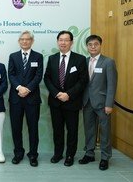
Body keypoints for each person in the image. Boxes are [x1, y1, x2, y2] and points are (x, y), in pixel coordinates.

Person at [44, 30, 88, 167]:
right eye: (60, 40)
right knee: (57, 130)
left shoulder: (79, 59)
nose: (63, 42)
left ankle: (70, 155)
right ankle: (58, 154)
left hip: (72, 101)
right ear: (57, 42)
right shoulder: (52, 58)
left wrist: (68, 94)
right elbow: (47, 78)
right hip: (55, 102)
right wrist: (57, 93)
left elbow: (83, 80)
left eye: (66, 40)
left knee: (72, 130)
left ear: (71, 42)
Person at [79, 35, 117, 171]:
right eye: (90, 44)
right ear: (87, 46)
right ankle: (89, 154)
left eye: (95, 44)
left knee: (105, 131)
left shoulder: (108, 62)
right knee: (89, 130)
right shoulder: (84, 61)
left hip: (103, 104)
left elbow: (112, 85)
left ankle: (105, 157)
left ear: (100, 45)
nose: (93, 47)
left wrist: (109, 104)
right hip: (87, 102)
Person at [8, 31, 43, 167]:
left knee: (33, 128)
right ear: (19, 41)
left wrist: (27, 89)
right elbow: (11, 74)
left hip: (32, 98)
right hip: (16, 98)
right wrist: (19, 88)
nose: (25, 41)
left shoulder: (38, 56)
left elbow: (38, 76)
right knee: (16, 128)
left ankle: (33, 155)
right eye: (22, 39)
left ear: (32, 41)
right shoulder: (13, 56)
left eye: (27, 39)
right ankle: (18, 153)